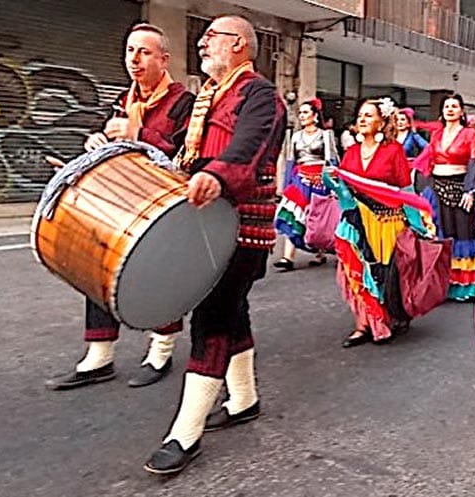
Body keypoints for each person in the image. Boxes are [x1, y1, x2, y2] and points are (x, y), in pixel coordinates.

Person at [143, 15, 287, 474]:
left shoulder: (261, 95)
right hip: (207, 218)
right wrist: (129, 141)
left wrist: (215, 174)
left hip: (243, 222)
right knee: (231, 310)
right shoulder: (207, 96)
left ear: (240, 46)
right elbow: (177, 146)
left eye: (213, 38)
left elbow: (249, 148)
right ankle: (244, 400)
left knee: (212, 314)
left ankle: (185, 433)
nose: (202, 43)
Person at [45, 23, 195, 391]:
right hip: (120, 202)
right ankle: (99, 355)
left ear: (164, 59)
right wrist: (95, 140)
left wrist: (137, 135)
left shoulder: (183, 102)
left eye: (144, 52)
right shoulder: (123, 100)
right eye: (130, 51)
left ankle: (160, 351)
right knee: (96, 265)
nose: (135, 59)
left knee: (160, 275)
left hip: (162, 205)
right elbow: (109, 139)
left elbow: (185, 153)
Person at [324, 98, 436, 347]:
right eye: (360, 115)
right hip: (357, 220)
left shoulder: (393, 150)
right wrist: (331, 180)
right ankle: (363, 325)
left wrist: (418, 223)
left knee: (386, 275)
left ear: (381, 121)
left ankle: (391, 316)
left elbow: (405, 189)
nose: (362, 120)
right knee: (355, 272)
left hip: (387, 221)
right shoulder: (351, 152)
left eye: (368, 115)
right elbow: (344, 188)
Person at [422, 93, 475, 301]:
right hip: (438, 186)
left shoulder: (470, 134)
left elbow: (474, 162)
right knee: (444, 234)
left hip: (461, 188)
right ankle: (446, 282)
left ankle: (467, 285)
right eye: (446, 106)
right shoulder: (436, 135)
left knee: (463, 233)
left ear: (461, 111)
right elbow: (430, 162)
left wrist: (470, 190)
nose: (450, 109)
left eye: (454, 106)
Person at [273, 98, 339, 271]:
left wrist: (334, 185)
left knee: (317, 218)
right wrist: (286, 185)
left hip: (319, 180)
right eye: (300, 113)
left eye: (305, 112)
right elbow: (290, 162)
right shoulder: (295, 137)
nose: (301, 116)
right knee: (291, 213)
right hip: (300, 180)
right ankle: (288, 257)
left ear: (315, 116)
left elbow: (332, 161)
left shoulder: (325, 135)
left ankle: (320, 252)